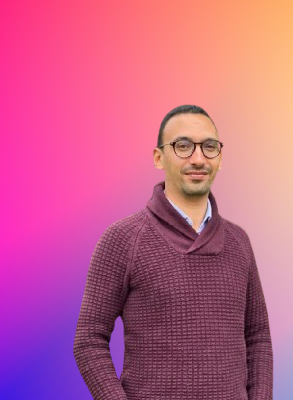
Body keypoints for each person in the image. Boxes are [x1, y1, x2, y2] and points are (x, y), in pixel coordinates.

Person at [73, 105, 273, 400]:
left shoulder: (239, 241)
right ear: (158, 157)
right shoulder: (123, 239)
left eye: (209, 147)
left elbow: (258, 337)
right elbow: (89, 340)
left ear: (220, 158)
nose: (198, 158)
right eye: (183, 146)